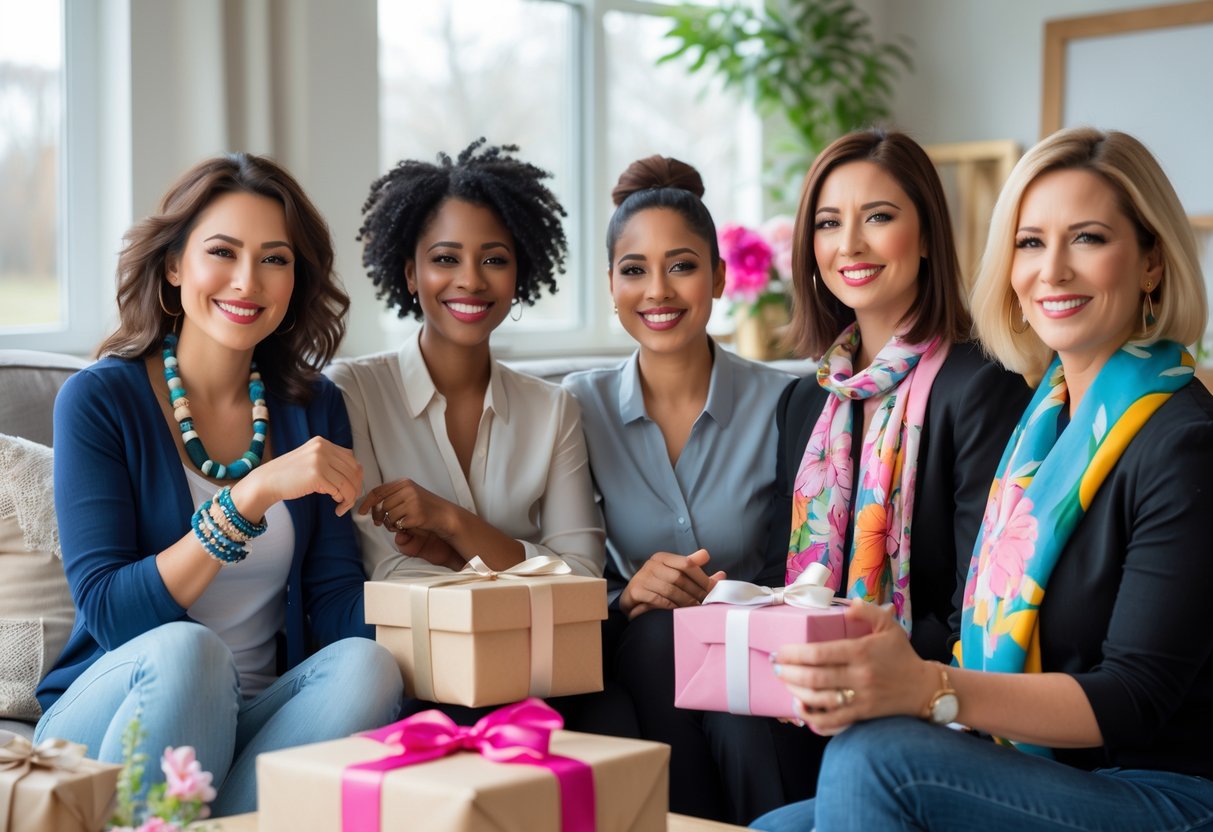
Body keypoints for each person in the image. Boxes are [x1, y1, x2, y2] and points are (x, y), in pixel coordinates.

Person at [753, 127, 1213, 832]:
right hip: (1039, 768)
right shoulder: (1044, 427)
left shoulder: (1184, 442)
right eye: (1030, 243)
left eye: (1086, 238)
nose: (1051, 270)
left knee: (876, 758)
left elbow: (1135, 698)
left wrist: (928, 686)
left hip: (1164, 790)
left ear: (1151, 262)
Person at [34, 153, 403, 816]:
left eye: (274, 259)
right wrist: (246, 498)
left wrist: (448, 596)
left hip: (261, 715)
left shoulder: (311, 404)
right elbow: (112, 612)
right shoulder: (99, 400)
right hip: (115, 711)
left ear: (296, 279)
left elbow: (333, 600)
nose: (246, 281)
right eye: (222, 252)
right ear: (174, 266)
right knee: (189, 649)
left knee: (366, 665)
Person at [562, 156, 796, 823]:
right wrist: (625, 592)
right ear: (610, 283)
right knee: (658, 633)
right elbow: (555, 553)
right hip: (637, 650)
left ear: (719, 278)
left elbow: (805, 563)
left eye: (682, 265)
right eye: (633, 269)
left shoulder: (786, 403)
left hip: (759, 660)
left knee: (738, 710)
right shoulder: (577, 407)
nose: (657, 291)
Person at [764, 128, 1030, 665]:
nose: (850, 244)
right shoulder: (803, 401)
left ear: (928, 235)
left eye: (878, 217)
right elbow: (780, 578)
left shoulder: (980, 386)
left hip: (920, 681)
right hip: (805, 667)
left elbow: (975, 608)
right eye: (828, 223)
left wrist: (857, 662)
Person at [328, 139, 603, 586]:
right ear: (412, 274)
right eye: (445, 259)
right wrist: (502, 560)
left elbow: (584, 576)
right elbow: (388, 570)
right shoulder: (353, 391)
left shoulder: (554, 409)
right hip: (403, 652)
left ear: (520, 275)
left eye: (494, 259)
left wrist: (451, 524)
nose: (471, 279)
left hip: (533, 649)